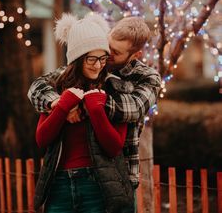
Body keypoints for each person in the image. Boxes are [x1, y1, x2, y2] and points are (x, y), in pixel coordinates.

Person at [28, 15, 161, 213]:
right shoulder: (66, 80)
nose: (103, 61)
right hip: (60, 182)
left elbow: (131, 109)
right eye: (104, 48)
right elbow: (36, 88)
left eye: (112, 53)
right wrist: (59, 104)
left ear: (135, 55)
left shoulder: (140, 79)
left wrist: (88, 105)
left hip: (114, 177)